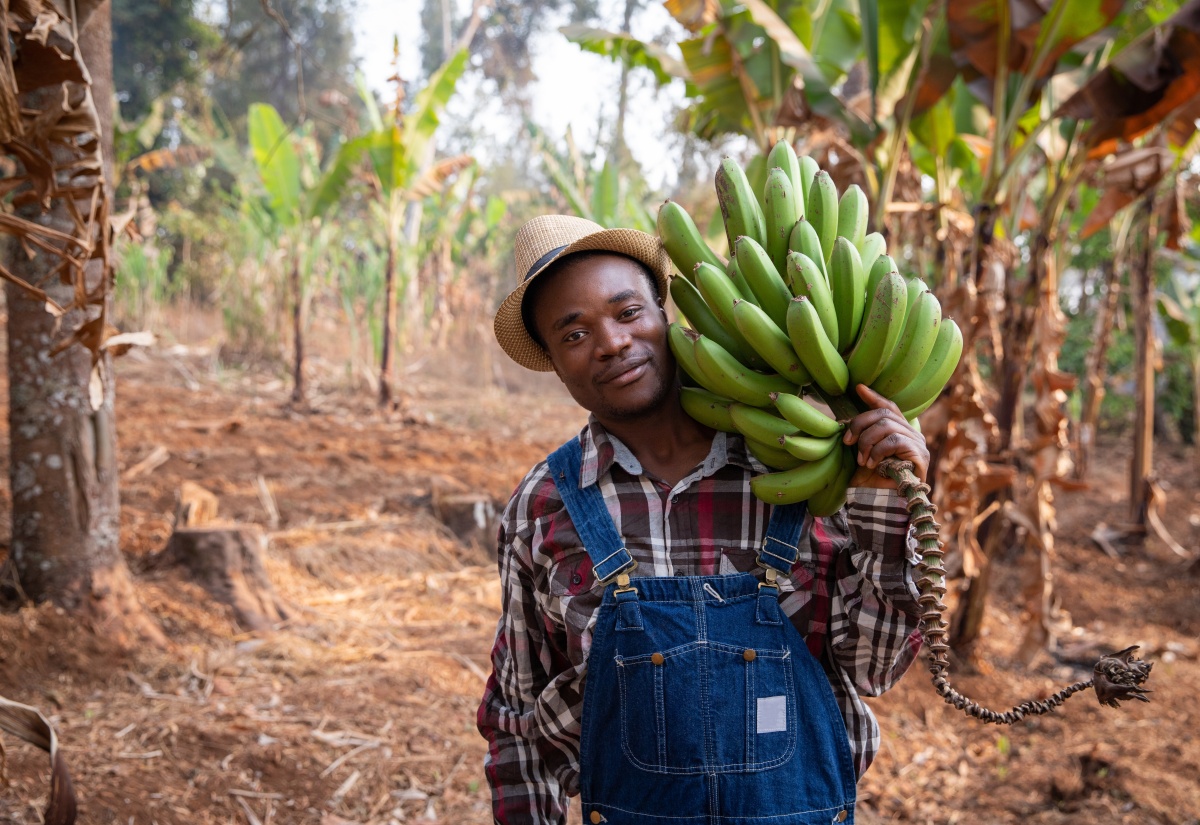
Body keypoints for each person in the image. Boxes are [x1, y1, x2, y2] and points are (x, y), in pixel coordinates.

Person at [477, 215, 928, 825]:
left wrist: (886, 501)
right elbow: (518, 721)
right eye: (575, 334)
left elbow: (874, 668)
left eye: (628, 312)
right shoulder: (544, 506)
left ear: (665, 315)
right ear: (554, 363)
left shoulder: (799, 467)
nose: (611, 342)